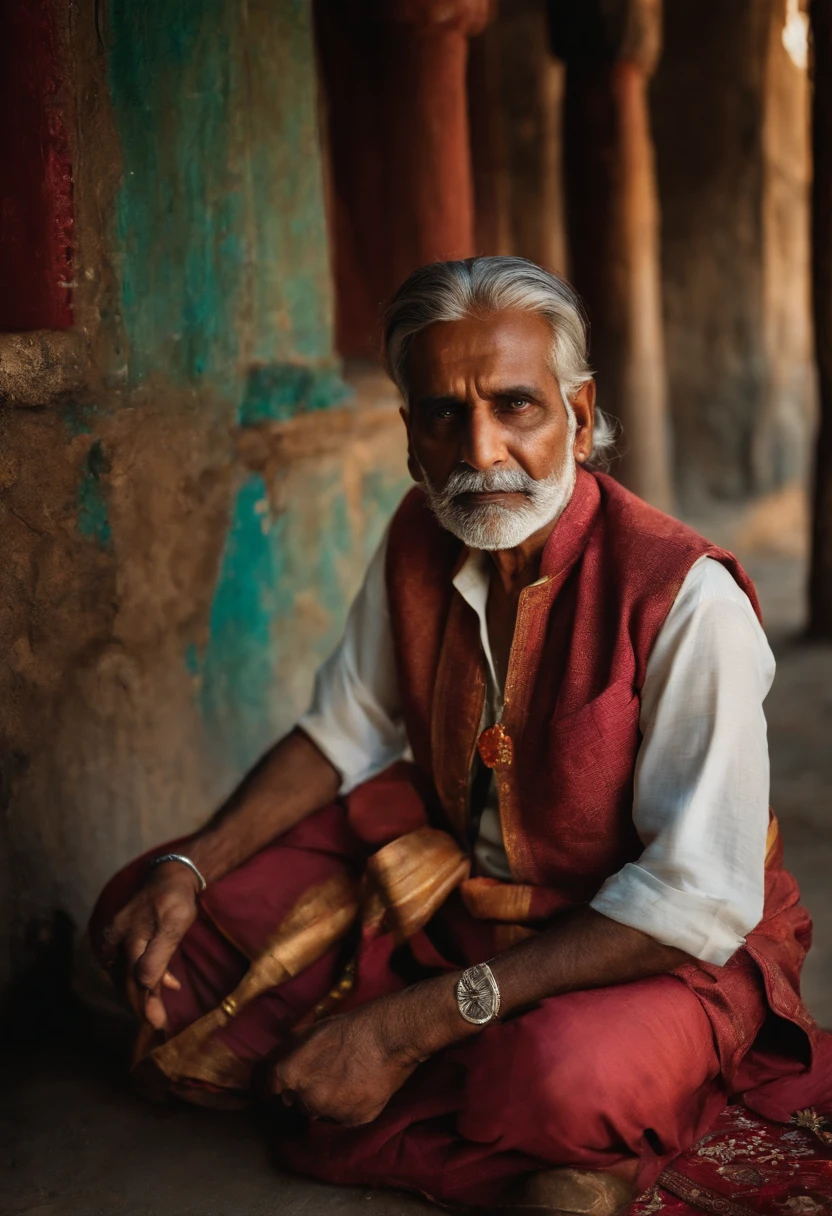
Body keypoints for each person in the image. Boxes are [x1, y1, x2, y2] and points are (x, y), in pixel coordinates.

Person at [91, 258, 829, 1216]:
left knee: (557, 1079)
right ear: (410, 438)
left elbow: (695, 899)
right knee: (148, 918)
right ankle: (548, 1156)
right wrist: (190, 865)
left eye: (516, 406)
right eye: (443, 413)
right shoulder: (418, 535)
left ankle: (573, 1138)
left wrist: (405, 1028)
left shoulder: (687, 597)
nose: (480, 449)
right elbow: (341, 729)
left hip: (646, 949)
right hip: (459, 909)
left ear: (578, 408)